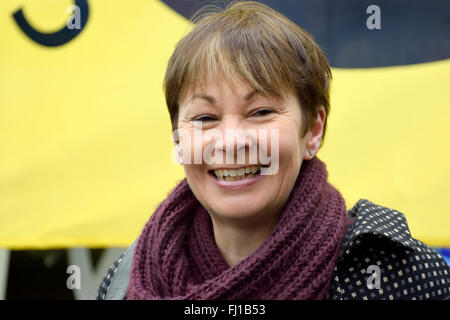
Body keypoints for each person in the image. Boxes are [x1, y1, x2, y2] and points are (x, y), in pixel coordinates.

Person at [97, 1, 450, 300]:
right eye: (205, 117)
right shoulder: (126, 281)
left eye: (261, 112)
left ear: (312, 130)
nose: (232, 141)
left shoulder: (393, 275)